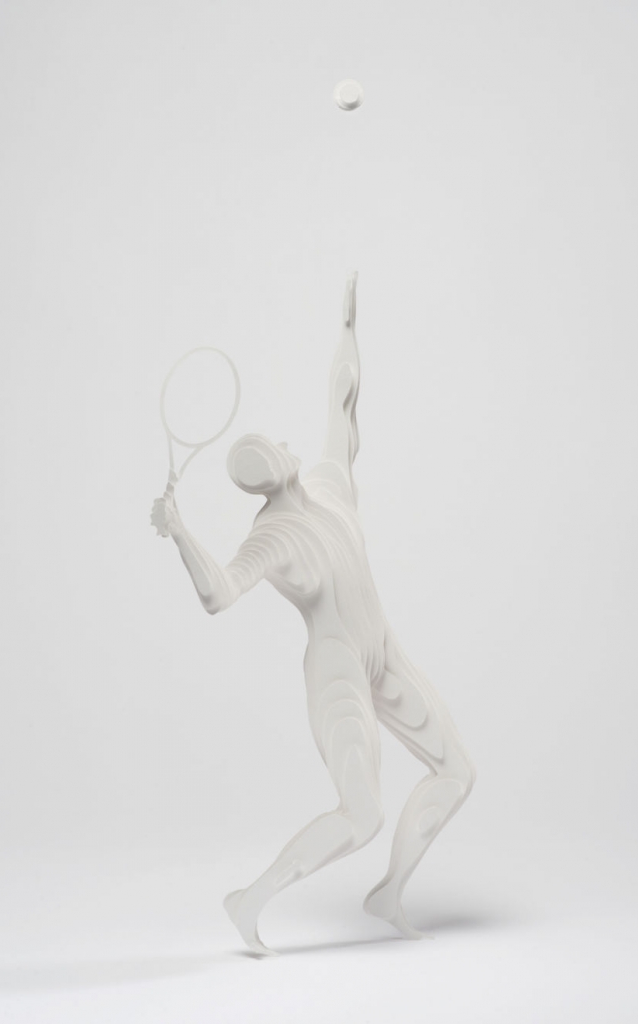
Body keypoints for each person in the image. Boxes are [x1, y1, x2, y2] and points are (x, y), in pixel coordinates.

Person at [151, 273, 475, 955]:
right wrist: (178, 531)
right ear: (267, 472)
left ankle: (388, 892)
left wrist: (348, 330)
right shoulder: (272, 536)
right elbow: (218, 594)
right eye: (267, 452)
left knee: (456, 771)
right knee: (362, 814)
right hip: (337, 673)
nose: (280, 448)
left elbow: (342, 403)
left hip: (382, 653)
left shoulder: (329, 486)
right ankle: (251, 898)